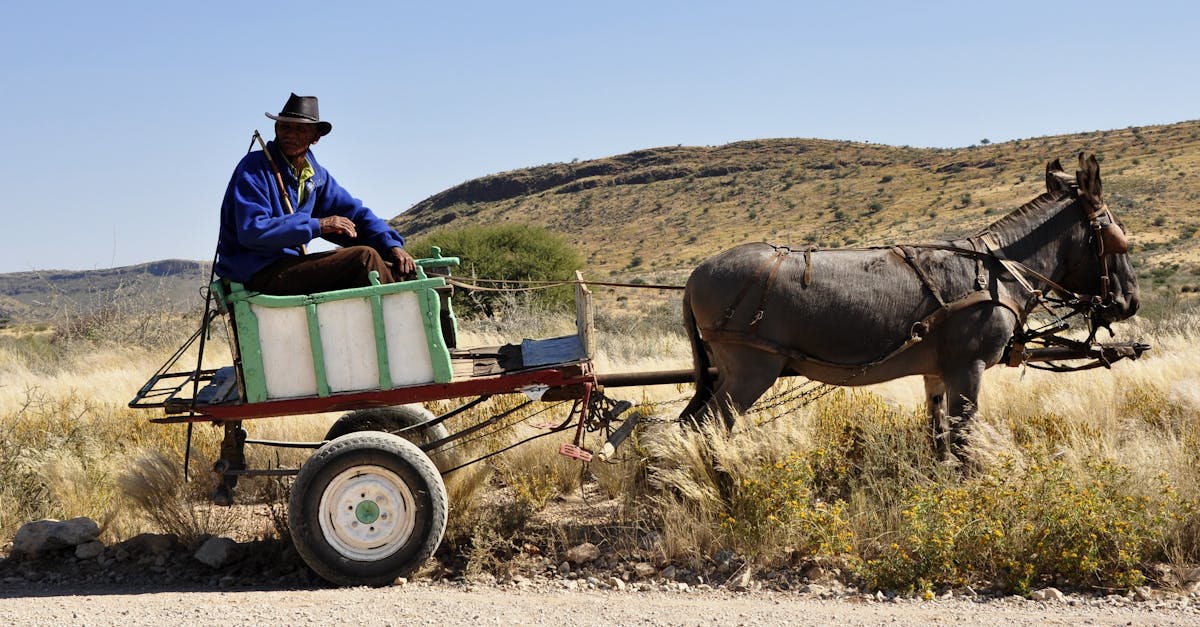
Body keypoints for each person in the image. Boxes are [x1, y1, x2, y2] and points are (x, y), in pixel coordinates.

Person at [215, 93, 417, 295]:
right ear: (276, 129)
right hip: (256, 271)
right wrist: (319, 225)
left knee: (400, 267)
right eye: (285, 127)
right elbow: (252, 230)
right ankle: (403, 313)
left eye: (300, 129)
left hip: (288, 266)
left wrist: (391, 245)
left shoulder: (316, 176)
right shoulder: (254, 168)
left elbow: (355, 215)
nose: (290, 135)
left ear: (316, 137)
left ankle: (434, 297)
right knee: (363, 259)